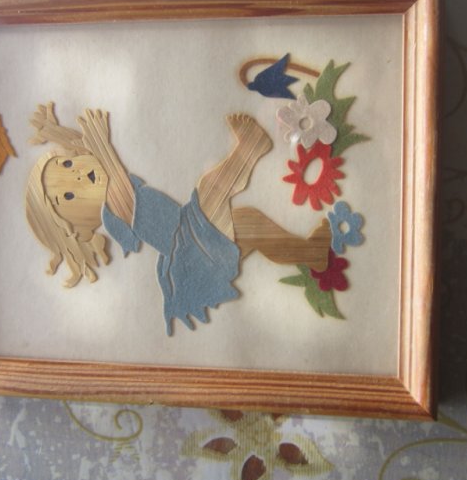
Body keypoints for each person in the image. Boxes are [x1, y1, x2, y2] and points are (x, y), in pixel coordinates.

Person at [26, 103, 330, 335]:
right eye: (69, 195)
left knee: (250, 224)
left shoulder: (105, 185)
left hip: (193, 236)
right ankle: (251, 147)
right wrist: (103, 145)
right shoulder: (115, 208)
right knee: (210, 188)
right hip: (191, 248)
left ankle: (311, 253)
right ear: (79, 225)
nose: (78, 176)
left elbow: (84, 149)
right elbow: (114, 176)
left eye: (67, 166)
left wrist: (53, 131)